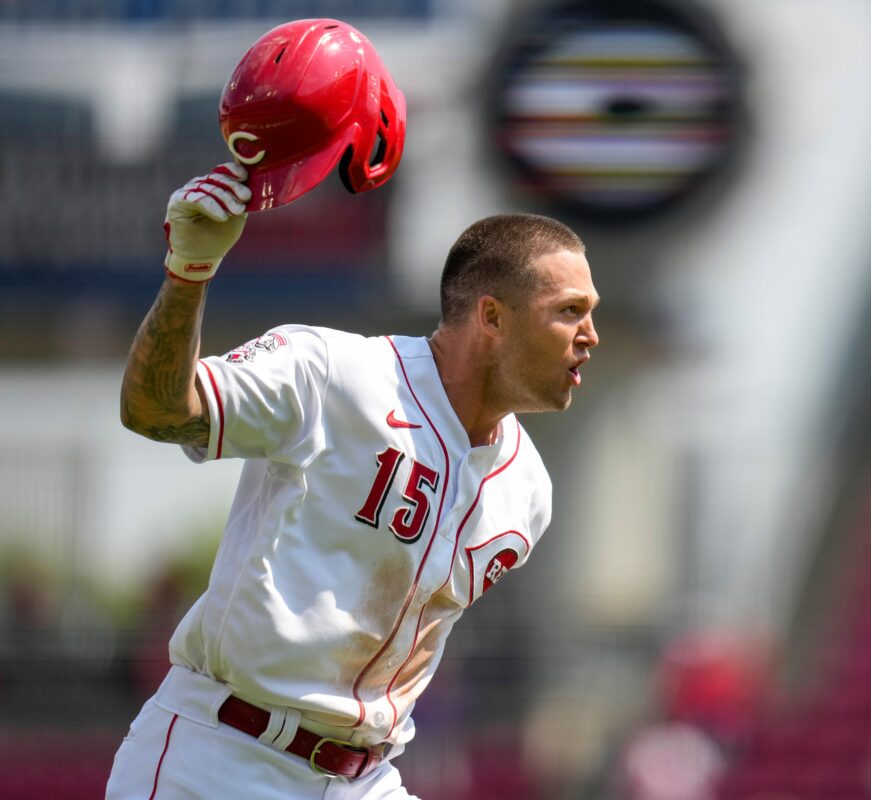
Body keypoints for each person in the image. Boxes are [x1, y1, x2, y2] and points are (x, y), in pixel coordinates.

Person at [105, 160, 600, 799]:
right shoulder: (332, 373)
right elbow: (155, 410)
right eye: (569, 311)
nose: (589, 335)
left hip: (364, 780)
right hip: (220, 755)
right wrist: (189, 271)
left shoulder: (528, 490)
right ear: (493, 318)